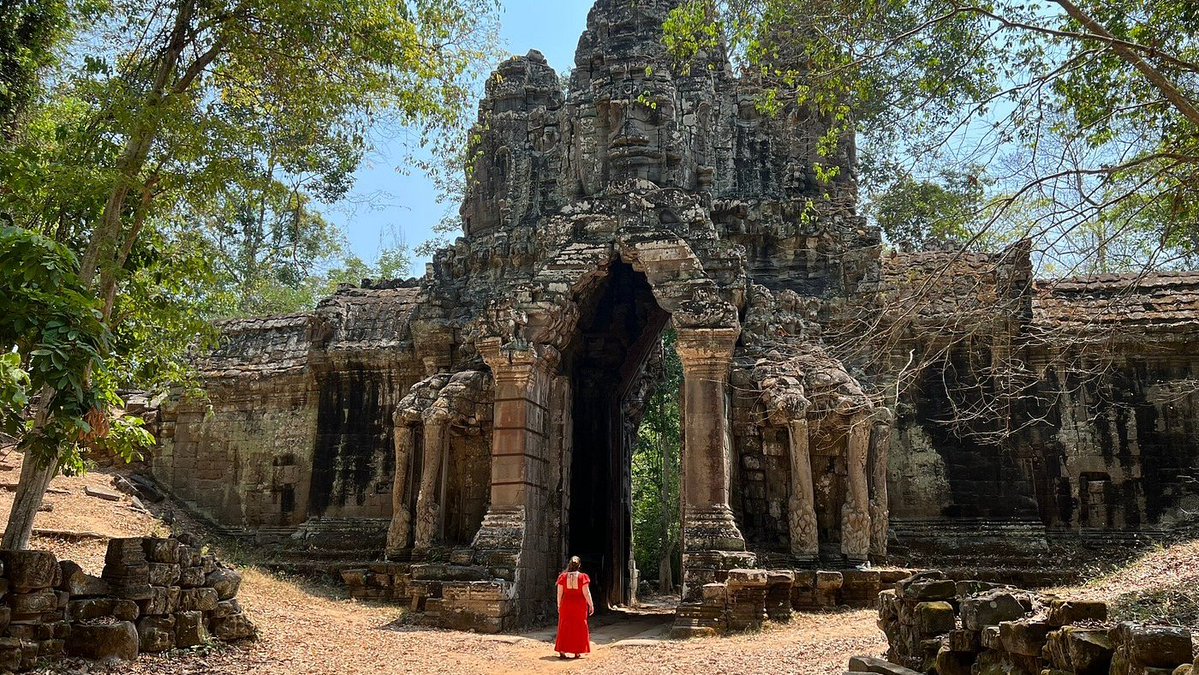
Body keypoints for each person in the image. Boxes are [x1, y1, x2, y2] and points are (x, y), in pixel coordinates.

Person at [554, 555, 593, 659]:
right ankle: (577, 651)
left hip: (566, 604)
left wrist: (558, 605)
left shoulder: (562, 577)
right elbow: (586, 593)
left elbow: (559, 593)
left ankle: (562, 650)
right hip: (579, 605)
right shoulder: (583, 577)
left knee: (564, 626)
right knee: (579, 626)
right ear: (579, 565)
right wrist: (591, 604)